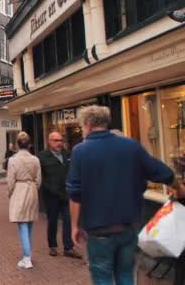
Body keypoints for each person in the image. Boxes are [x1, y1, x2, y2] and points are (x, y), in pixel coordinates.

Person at [67, 105, 175, 285]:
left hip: (98, 229)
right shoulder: (131, 145)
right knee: (125, 275)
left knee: (102, 277)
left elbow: (74, 193)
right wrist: (177, 187)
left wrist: (74, 226)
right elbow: (162, 172)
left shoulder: (81, 151)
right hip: (128, 227)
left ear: (87, 124)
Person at [37, 132, 81, 259]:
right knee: (52, 221)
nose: (59, 143)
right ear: (49, 141)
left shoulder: (67, 154)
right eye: (56, 140)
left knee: (68, 220)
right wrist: (48, 188)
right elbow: (40, 177)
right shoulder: (42, 156)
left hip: (66, 194)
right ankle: (53, 246)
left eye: (61, 140)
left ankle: (68, 247)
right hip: (51, 196)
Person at [7, 132, 42, 269]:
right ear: (29, 144)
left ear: (17, 144)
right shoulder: (35, 159)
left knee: (22, 224)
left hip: (19, 189)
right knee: (29, 224)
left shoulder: (13, 160)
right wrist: (34, 188)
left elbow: (10, 180)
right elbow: (39, 179)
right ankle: (28, 254)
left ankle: (27, 258)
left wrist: (10, 193)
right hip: (32, 189)